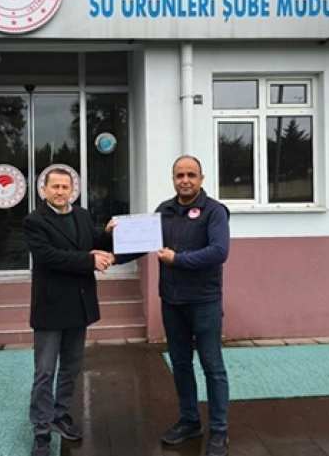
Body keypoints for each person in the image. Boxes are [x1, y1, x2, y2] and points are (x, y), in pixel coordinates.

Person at [118, 155, 231, 456]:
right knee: (180, 364)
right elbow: (140, 244)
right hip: (172, 302)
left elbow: (219, 251)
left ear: (201, 179)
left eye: (191, 175)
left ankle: (219, 430)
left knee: (212, 366)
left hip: (204, 302)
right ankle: (190, 421)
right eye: (180, 175)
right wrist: (108, 254)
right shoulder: (164, 211)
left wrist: (177, 260)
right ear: (173, 179)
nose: (185, 180)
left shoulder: (214, 212)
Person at [23, 167, 115, 456]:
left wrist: (108, 234)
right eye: (55, 187)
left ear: (73, 190)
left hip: (79, 304)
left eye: (66, 187)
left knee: (71, 367)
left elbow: (93, 239)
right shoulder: (34, 221)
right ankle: (41, 430)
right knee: (44, 371)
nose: (61, 192)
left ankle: (60, 414)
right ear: (44, 190)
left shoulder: (82, 215)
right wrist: (89, 260)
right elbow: (48, 257)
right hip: (51, 308)